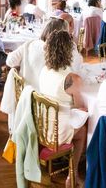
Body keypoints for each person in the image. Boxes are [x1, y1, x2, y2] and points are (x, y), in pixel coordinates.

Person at [39, 30, 88, 185]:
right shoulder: (72, 79)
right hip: (57, 132)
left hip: (43, 125)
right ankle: (72, 174)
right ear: (69, 51)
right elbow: (82, 108)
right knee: (85, 129)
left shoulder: (44, 70)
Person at [5, 18, 68, 89]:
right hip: (49, 96)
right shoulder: (63, 51)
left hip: (26, 93)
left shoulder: (29, 44)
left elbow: (10, 61)